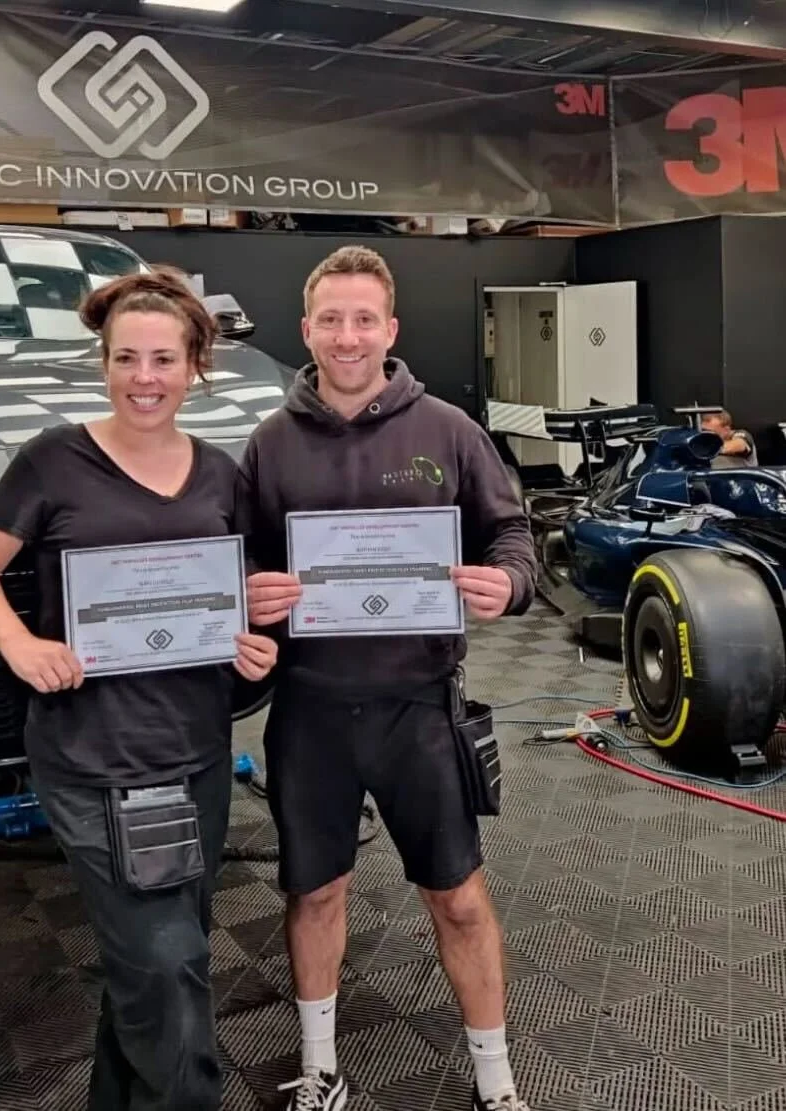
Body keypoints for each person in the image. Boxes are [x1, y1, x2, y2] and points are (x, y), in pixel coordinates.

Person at [0, 266, 278, 1111]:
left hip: (196, 753)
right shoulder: (51, 461)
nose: (143, 378)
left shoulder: (220, 474)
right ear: (103, 363)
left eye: (163, 359)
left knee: (160, 958)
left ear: (195, 365)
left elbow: (231, 593)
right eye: (125, 358)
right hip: (91, 757)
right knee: (166, 961)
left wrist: (250, 644)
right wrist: (19, 642)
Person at [237, 245, 538, 1111]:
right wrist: (248, 591)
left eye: (363, 318)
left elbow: (511, 535)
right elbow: (240, 559)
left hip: (419, 706)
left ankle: (495, 1082)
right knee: (314, 891)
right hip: (310, 710)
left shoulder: (448, 430)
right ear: (306, 330)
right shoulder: (269, 443)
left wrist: (508, 582)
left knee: (459, 897)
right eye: (331, 319)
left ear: (390, 329)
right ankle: (320, 1069)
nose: (347, 335)